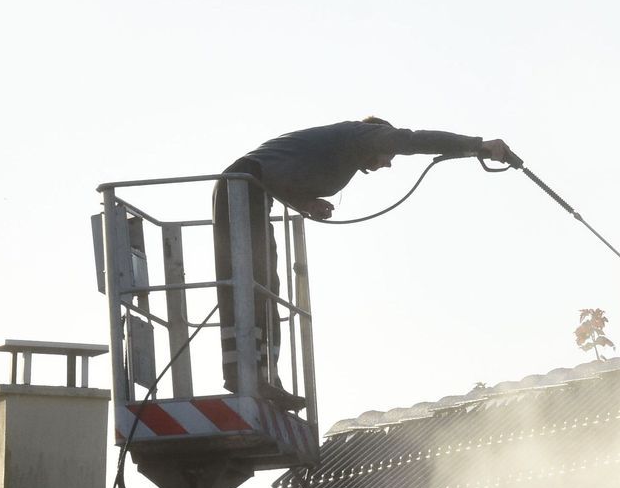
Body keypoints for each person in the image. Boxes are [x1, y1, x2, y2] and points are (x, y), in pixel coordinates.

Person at [212, 118, 518, 400]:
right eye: (389, 156)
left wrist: (305, 202)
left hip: (253, 188)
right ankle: (245, 375)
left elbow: (281, 174)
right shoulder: (364, 134)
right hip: (243, 184)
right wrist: (478, 145)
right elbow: (414, 140)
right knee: (250, 279)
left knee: (265, 282)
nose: (387, 164)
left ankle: (265, 377)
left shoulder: (341, 150)